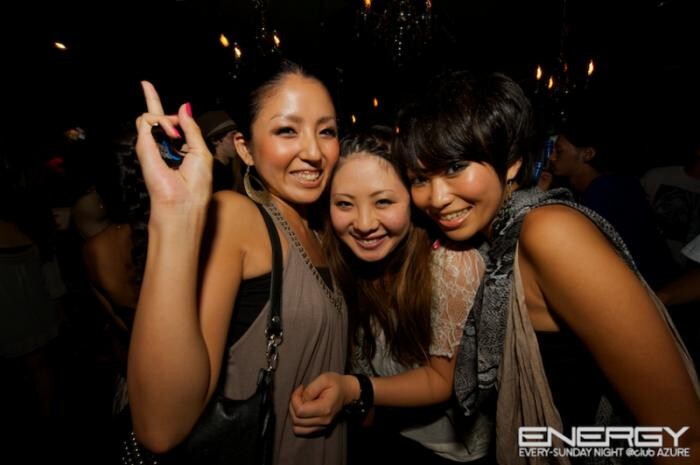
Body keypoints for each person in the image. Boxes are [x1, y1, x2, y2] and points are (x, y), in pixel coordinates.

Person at [394, 70, 700, 464]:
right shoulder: (495, 241)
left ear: (511, 163)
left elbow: (683, 435)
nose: (435, 198)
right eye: (420, 178)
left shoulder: (549, 231)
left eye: (454, 167)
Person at [127, 59, 347, 465]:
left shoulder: (321, 229)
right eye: (287, 130)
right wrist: (174, 214)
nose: (314, 152)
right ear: (244, 148)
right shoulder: (238, 218)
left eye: (327, 131)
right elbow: (161, 427)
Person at [289, 132, 490, 463]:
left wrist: (354, 390)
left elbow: (440, 381)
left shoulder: (452, 263)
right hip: (379, 436)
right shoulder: (336, 256)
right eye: (344, 204)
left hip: (451, 451)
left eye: (383, 202)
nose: (364, 224)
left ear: (412, 201)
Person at [549, 115, 678, 290]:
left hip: (646, 290)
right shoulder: (600, 189)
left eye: (559, 151)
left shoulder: (606, 194)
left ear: (588, 154)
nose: (552, 157)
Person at [195, 110, 241, 192]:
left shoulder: (230, 167)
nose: (238, 141)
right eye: (232, 136)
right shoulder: (214, 173)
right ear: (215, 141)